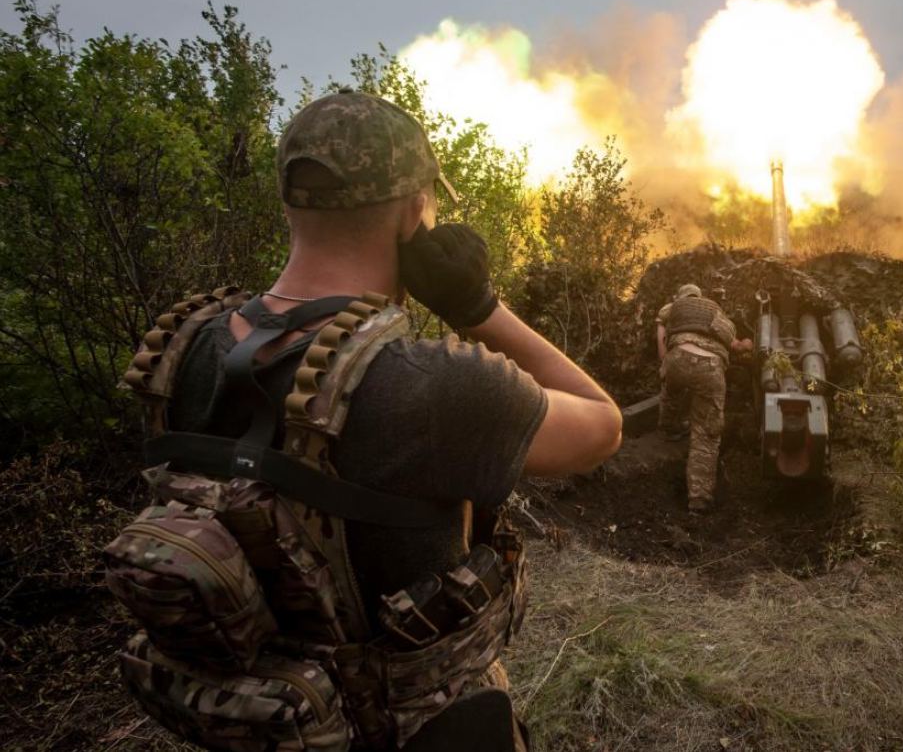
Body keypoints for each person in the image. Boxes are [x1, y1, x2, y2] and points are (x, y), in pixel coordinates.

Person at [161, 89, 622, 749]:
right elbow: (603, 426)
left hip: (263, 725)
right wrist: (478, 309)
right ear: (414, 217)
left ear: (291, 203)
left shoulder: (188, 350)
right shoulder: (436, 385)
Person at [656, 284, 751, 513]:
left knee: (671, 392)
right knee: (706, 434)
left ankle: (669, 428)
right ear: (701, 297)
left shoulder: (673, 307)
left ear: (680, 296)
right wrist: (747, 345)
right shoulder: (715, 312)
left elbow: (661, 332)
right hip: (710, 367)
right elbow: (735, 345)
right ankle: (699, 498)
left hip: (677, 358)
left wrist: (665, 361)